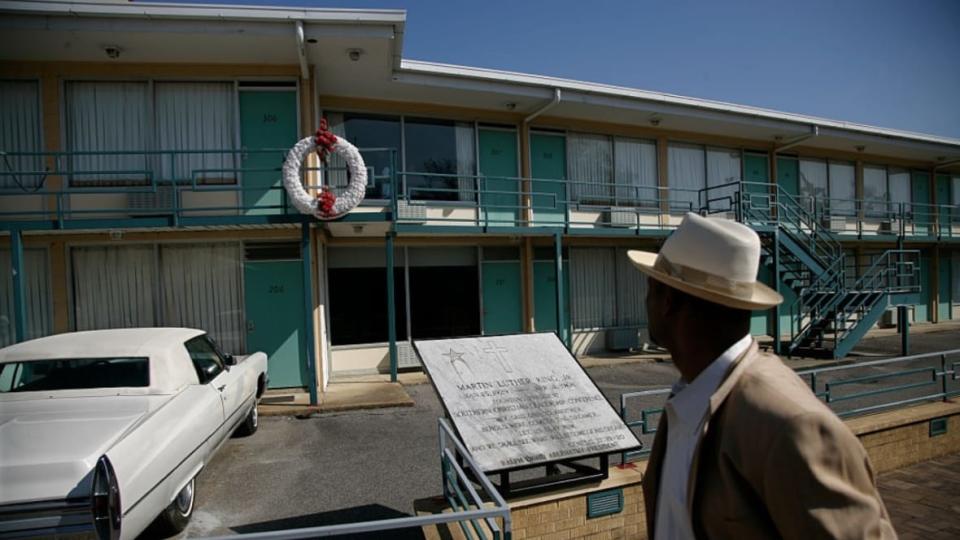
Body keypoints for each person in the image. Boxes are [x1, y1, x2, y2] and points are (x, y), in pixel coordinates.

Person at [628, 213, 895, 539]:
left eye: (651, 289)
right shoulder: (688, 400)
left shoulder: (791, 426)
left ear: (667, 300)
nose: (646, 303)